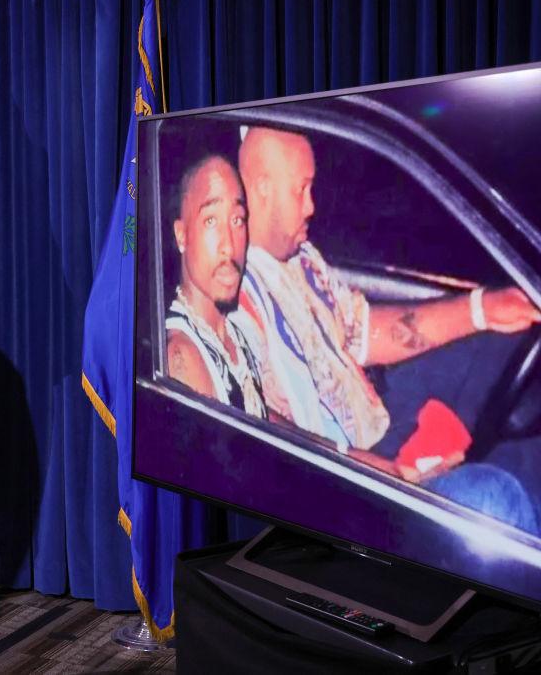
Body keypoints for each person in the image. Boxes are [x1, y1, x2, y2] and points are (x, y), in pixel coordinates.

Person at [230, 126, 541, 532]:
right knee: (494, 498)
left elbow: (367, 331)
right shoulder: (234, 289)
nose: (311, 206)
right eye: (302, 189)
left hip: (371, 413)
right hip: (334, 474)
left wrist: (482, 309)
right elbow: (253, 419)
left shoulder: (300, 257)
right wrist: (364, 463)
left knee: (504, 344)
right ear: (263, 189)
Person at [165, 154, 266, 419]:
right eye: (211, 221)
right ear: (181, 235)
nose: (229, 246)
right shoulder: (183, 358)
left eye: (237, 220)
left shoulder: (233, 335)